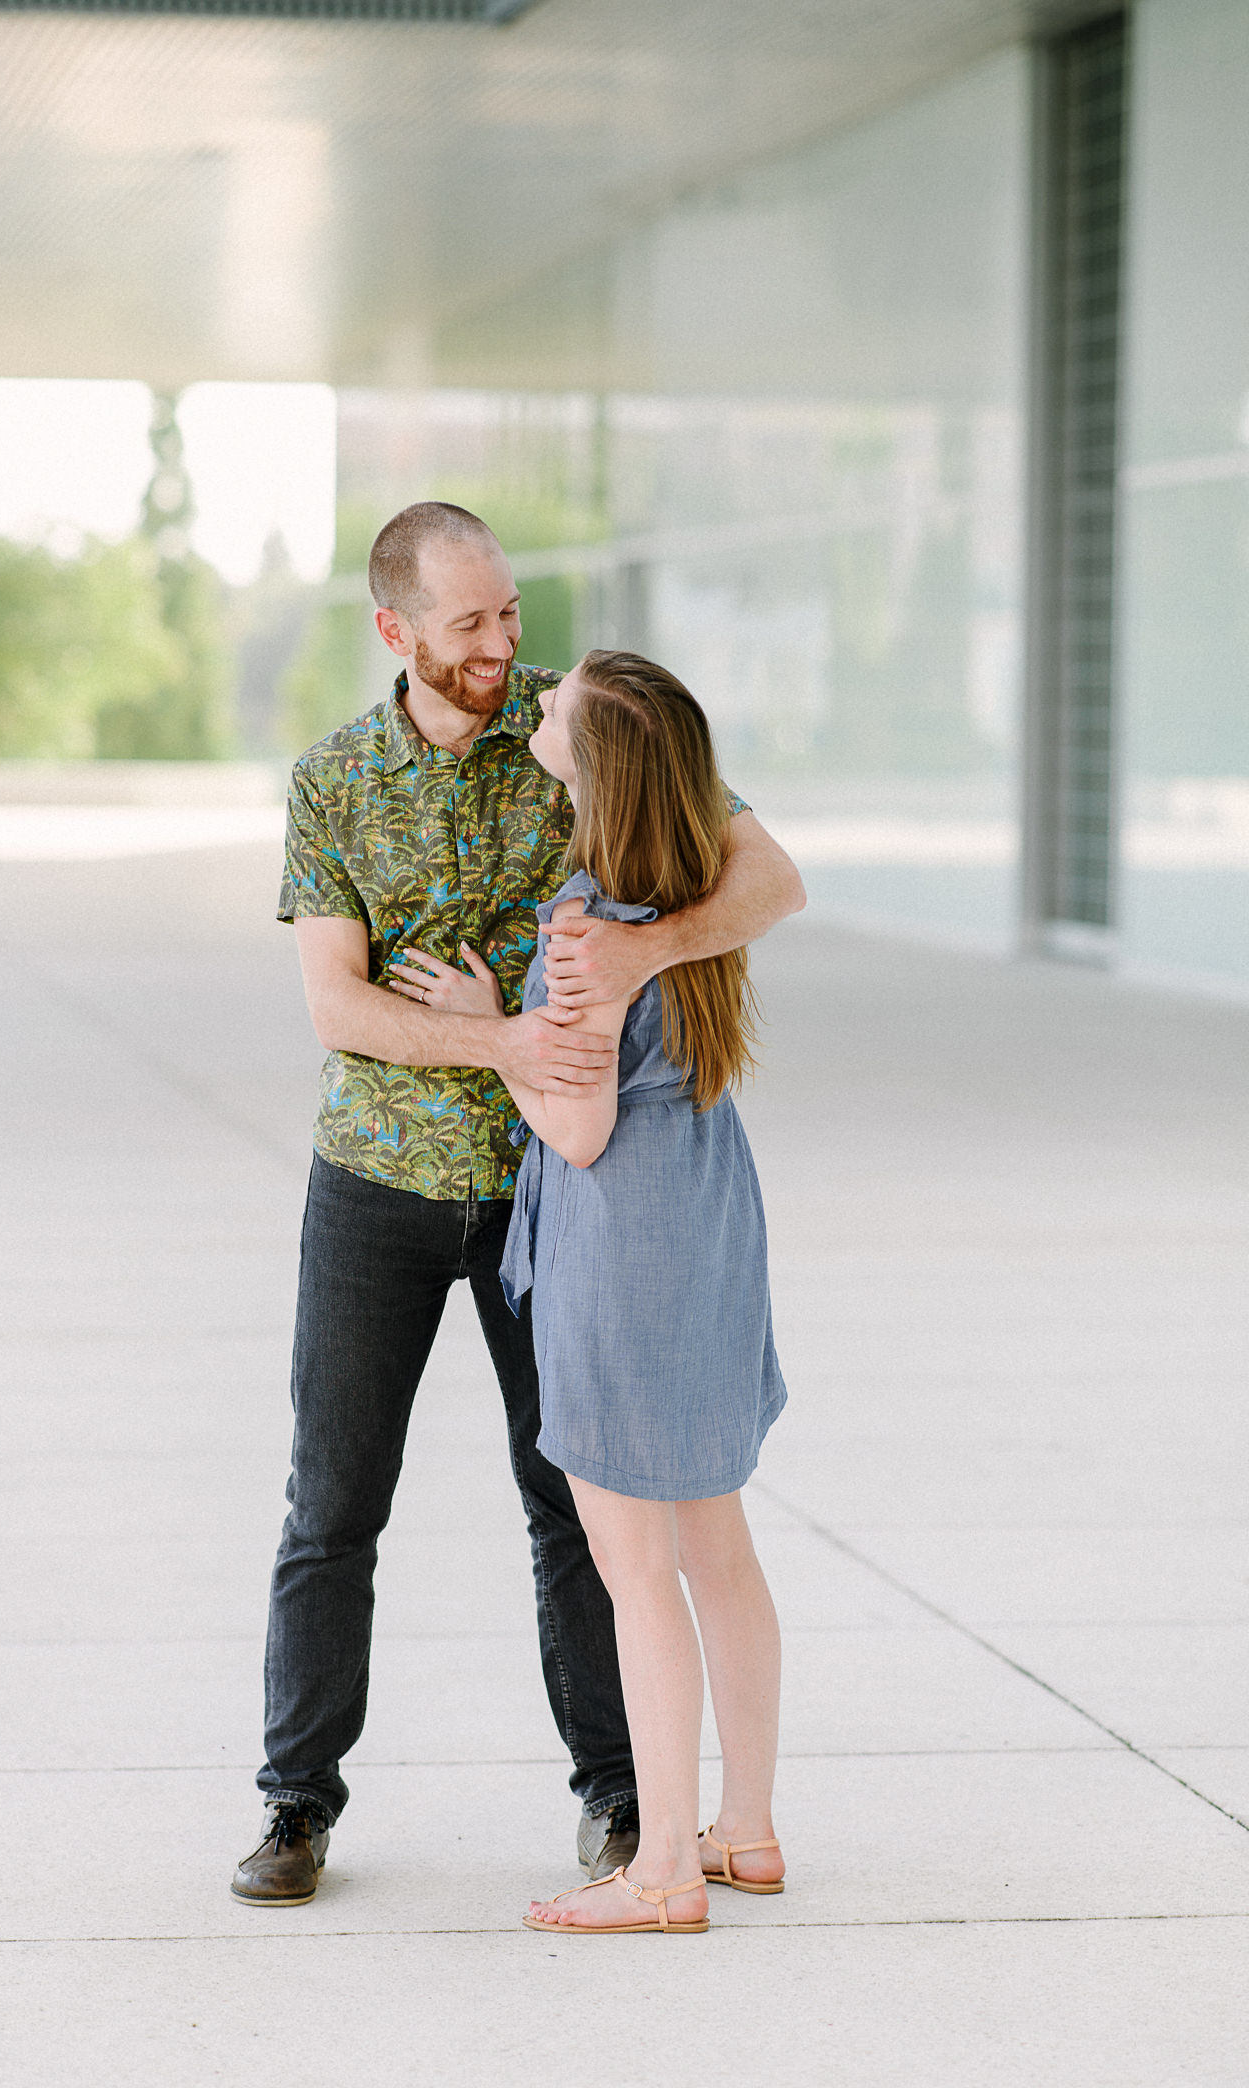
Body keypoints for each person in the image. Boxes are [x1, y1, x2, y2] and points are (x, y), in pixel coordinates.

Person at [232, 505, 805, 1904]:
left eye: (509, 616)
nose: (504, 646)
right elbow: (335, 1003)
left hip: (552, 1198)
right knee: (333, 1503)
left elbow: (768, 879)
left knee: (574, 1513)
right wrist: (501, 1038)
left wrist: (630, 955)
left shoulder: (584, 723)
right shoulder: (334, 781)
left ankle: (626, 1810)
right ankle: (297, 1804)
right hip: (377, 1179)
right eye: (472, 624)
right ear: (397, 631)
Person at [410, 650, 797, 1935]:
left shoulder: (586, 928)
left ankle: (663, 1868)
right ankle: (745, 1827)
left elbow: (574, 1132)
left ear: (596, 761)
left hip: (620, 1256)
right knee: (720, 1549)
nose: (541, 695)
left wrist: (497, 1026)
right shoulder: (689, 891)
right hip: (706, 1233)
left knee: (635, 1572)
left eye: (561, 700)